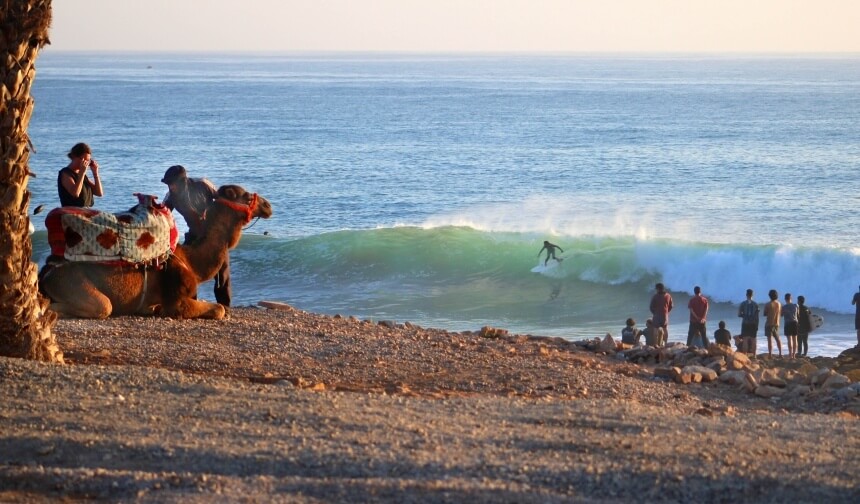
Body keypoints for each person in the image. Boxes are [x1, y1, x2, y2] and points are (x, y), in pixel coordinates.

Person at [161, 165, 231, 307]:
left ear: (182, 182)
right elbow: (162, 213)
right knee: (187, 269)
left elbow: (222, 202)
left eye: (172, 183)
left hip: (214, 235)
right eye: (168, 184)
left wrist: (212, 213)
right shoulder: (171, 197)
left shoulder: (203, 184)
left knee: (221, 271)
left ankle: (224, 306)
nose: (170, 187)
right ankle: (192, 303)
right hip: (194, 234)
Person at [57, 142, 103, 207]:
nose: (85, 163)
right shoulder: (65, 173)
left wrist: (95, 174)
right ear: (74, 157)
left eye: (88, 161)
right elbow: (75, 193)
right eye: (83, 160)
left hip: (86, 211)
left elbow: (99, 193)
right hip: (72, 212)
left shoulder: (82, 175)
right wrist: (82, 173)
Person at [737, 289, 759, 356]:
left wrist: (744, 315)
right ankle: (754, 355)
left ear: (746, 295)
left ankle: (745, 354)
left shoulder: (743, 304)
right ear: (752, 295)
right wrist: (757, 325)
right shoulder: (755, 304)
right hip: (753, 323)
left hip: (745, 323)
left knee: (745, 339)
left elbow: (739, 314)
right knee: (753, 339)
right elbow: (757, 317)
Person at [763, 289, 782, 358]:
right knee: (778, 339)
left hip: (769, 324)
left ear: (769, 296)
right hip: (777, 323)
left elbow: (765, 313)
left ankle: (770, 354)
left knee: (769, 339)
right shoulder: (779, 304)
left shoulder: (768, 304)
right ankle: (780, 353)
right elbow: (781, 313)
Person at [782, 293, 799, 359]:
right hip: (795, 323)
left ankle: (790, 354)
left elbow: (781, 315)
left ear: (785, 299)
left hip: (788, 323)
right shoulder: (796, 305)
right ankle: (794, 355)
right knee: (795, 339)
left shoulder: (784, 307)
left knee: (789, 339)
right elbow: (798, 314)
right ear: (791, 298)